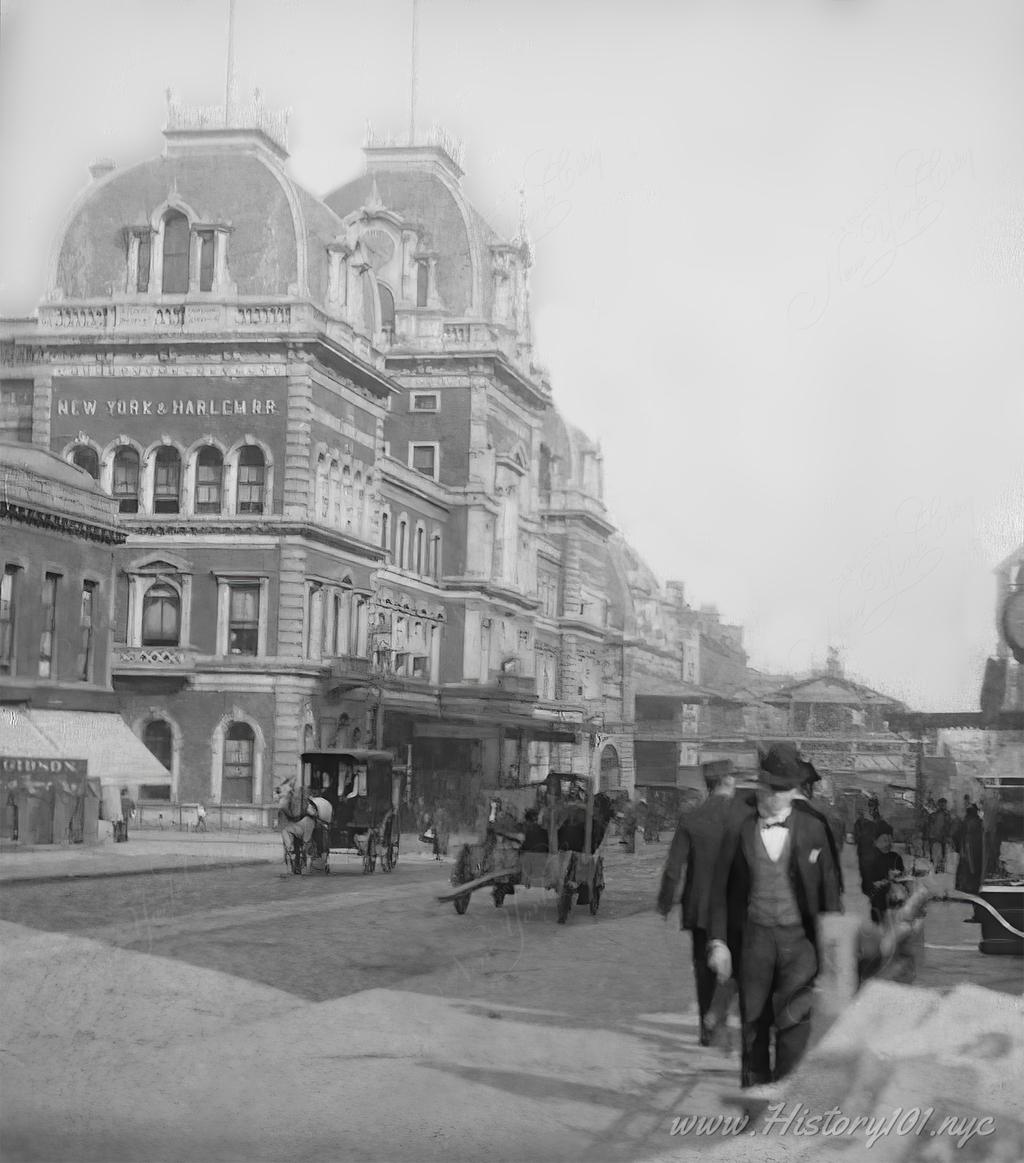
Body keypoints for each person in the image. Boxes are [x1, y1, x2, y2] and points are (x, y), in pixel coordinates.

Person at [707, 742, 842, 1089]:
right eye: (767, 789)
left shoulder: (814, 830)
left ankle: (783, 1113)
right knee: (753, 1025)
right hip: (755, 942)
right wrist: (719, 942)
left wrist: (834, 957)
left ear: (793, 792)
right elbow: (721, 891)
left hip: (801, 945)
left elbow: (830, 896)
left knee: (794, 1028)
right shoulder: (739, 830)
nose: (771, 797)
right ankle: (752, 1116)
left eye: (780, 791)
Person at [656, 762, 740, 1046]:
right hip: (736, 907)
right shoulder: (745, 819)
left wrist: (665, 902)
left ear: (708, 784)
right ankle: (723, 1018)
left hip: (700, 907)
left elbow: (673, 868)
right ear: (728, 781)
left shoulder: (692, 819)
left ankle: (708, 1029)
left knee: (704, 968)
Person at [860, 830, 905, 924]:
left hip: (893, 894)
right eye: (884, 840)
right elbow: (865, 883)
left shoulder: (895, 857)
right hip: (877, 895)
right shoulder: (869, 859)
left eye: (889, 840)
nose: (888, 843)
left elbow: (902, 874)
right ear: (875, 842)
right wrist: (878, 883)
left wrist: (896, 876)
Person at [954, 804, 985, 917]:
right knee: (975, 884)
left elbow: (957, 837)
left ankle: (976, 912)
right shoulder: (978, 822)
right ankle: (977, 912)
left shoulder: (967, 822)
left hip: (968, 858)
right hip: (976, 857)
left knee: (971, 885)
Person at [928, 798, 953, 872]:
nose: (942, 805)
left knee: (942, 851)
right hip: (935, 835)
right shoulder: (935, 814)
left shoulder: (947, 814)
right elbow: (931, 823)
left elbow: (949, 825)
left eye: (944, 804)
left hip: (942, 835)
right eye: (941, 804)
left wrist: (947, 833)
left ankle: (940, 865)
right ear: (939, 804)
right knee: (936, 850)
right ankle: (935, 864)